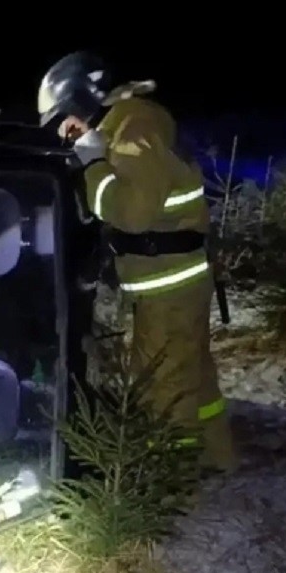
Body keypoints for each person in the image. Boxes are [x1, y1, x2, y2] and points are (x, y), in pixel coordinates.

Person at [37, 51, 238, 474]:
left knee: (163, 390)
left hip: (168, 285)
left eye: (67, 114)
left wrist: (93, 163)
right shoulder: (126, 125)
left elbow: (131, 211)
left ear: (83, 97)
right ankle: (217, 458)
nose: (67, 127)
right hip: (174, 281)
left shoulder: (134, 127)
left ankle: (168, 483)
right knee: (193, 379)